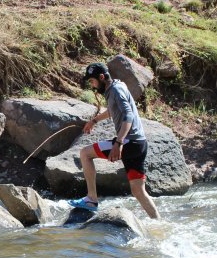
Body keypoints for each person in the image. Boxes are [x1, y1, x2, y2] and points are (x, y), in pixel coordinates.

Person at [68, 62, 160, 219]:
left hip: (129, 143)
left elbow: (128, 115)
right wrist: (94, 121)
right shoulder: (118, 86)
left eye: (92, 81)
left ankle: (91, 199)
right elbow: (113, 109)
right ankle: (159, 223)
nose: (92, 86)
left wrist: (119, 143)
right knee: (138, 191)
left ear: (102, 77)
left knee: (85, 153)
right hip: (139, 143)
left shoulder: (115, 90)